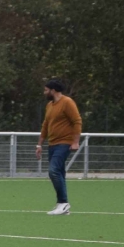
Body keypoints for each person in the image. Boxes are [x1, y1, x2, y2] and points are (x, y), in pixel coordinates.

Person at [35, 78, 82, 214]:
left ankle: (63, 203)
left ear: (53, 90)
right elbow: (45, 125)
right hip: (52, 144)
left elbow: (77, 121)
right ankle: (63, 205)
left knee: (53, 171)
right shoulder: (50, 105)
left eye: (46, 90)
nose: (44, 93)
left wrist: (75, 141)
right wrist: (39, 145)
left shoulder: (67, 102)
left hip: (64, 143)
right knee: (59, 173)